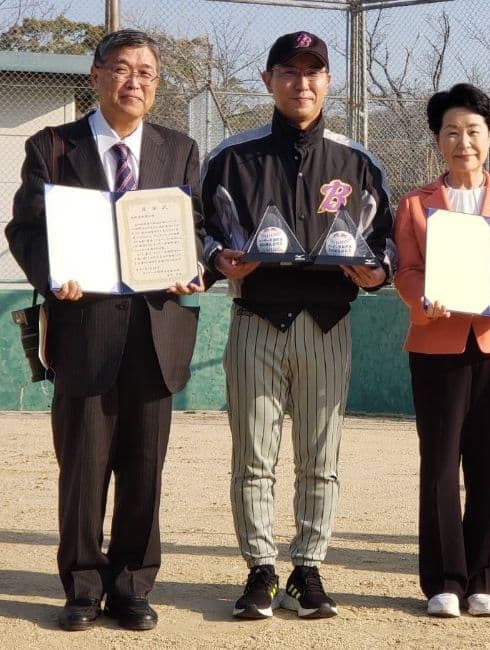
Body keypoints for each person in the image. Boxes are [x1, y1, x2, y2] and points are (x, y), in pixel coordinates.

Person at [5, 29, 205, 632]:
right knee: (83, 468)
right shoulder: (52, 147)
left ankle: (133, 587)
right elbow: (25, 231)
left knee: (145, 469)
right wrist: (52, 276)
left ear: (157, 83)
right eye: (121, 69)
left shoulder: (181, 150)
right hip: (82, 327)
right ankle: (82, 589)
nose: (134, 81)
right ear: (95, 76)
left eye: (146, 72)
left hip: (155, 330)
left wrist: (192, 268)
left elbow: (198, 227)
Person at [200, 31, 394, 621]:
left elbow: (384, 244)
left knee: (320, 456)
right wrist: (216, 259)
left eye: (314, 71)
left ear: (329, 82)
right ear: (268, 81)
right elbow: (199, 229)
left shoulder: (357, 162)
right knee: (254, 456)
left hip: (329, 321)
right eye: (289, 71)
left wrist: (375, 274)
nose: (301, 82)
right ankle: (260, 569)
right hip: (256, 318)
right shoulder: (233, 157)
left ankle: (307, 568)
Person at [394, 83, 490, 618]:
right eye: (451, 131)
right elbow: (407, 271)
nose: (463, 141)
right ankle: (443, 581)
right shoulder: (414, 204)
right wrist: (420, 300)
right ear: (437, 140)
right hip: (436, 342)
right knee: (438, 463)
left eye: (473, 131)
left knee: (487, 463)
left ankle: (483, 578)